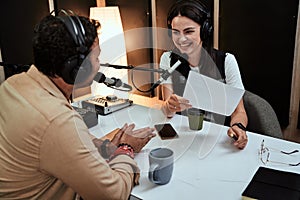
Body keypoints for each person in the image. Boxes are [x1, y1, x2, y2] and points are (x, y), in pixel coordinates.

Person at [0, 11, 156, 199]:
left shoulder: (13, 85)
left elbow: (58, 143)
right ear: (76, 68)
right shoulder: (58, 121)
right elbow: (113, 195)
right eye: (96, 58)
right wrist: (125, 149)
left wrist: (104, 146)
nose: (99, 66)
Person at [160, 0, 248, 149]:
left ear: (205, 30)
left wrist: (238, 127)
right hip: (184, 136)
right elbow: (167, 111)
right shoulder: (168, 59)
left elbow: (239, 111)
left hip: (217, 138)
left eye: (189, 31)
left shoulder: (226, 61)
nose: (181, 39)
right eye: (175, 32)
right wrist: (170, 106)